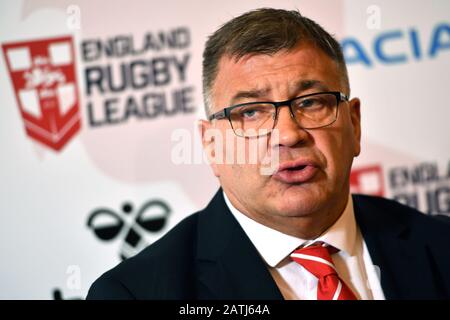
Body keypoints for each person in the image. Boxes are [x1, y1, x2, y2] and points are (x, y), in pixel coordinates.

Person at [87, 8, 450, 300]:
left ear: (353, 125)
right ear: (212, 145)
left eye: (311, 103)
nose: (289, 135)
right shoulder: (136, 293)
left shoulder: (440, 246)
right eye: (251, 112)